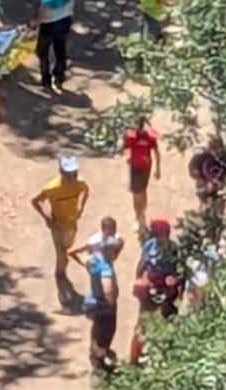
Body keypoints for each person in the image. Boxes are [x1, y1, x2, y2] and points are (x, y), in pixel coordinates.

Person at [30, 155, 90, 306]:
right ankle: (60, 274)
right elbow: (35, 201)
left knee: (67, 246)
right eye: (69, 173)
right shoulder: (52, 188)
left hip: (71, 224)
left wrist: (81, 208)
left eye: (74, 173)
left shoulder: (80, 183)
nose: (72, 176)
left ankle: (62, 264)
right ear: (61, 172)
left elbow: (86, 192)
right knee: (61, 253)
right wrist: (46, 218)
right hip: (57, 225)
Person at [129, 218, 182, 365]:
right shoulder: (156, 246)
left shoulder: (170, 248)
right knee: (143, 325)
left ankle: (158, 357)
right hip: (154, 291)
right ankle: (135, 359)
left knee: (163, 323)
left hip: (166, 292)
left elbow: (178, 271)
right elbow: (141, 266)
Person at [77, 230, 124, 375]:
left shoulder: (93, 260)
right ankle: (99, 363)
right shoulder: (106, 268)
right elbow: (107, 286)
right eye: (114, 251)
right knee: (106, 332)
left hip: (95, 300)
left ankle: (94, 353)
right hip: (105, 305)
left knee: (97, 328)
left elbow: (83, 260)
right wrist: (110, 301)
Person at [35, 0, 75, 94]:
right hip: (64, 23)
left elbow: (43, 14)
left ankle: (45, 80)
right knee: (60, 50)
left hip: (49, 26)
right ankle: (59, 78)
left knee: (42, 52)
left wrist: (33, 23)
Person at [123, 116, 160, 231]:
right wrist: (128, 157)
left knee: (142, 192)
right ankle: (138, 217)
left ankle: (141, 214)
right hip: (135, 168)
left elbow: (156, 152)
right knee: (136, 193)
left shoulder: (150, 136)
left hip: (145, 168)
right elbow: (125, 148)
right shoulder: (131, 136)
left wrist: (158, 169)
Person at [189, 135, 226, 211]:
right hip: (214, 162)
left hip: (213, 162)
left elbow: (220, 169)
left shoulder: (203, 172)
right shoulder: (209, 175)